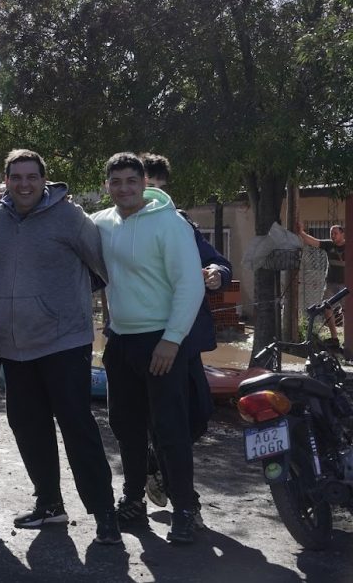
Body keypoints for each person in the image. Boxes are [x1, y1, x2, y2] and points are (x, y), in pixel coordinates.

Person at [0, 149, 120, 544]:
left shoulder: (70, 217)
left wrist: (72, 303)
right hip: (13, 344)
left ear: (45, 180)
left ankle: (104, 514)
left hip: (64, 341)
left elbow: (104, 267)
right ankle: (49, 505)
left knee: (77, 427)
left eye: (32, 176)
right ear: (6, 180)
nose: (24, 184)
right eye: (16, 177)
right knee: (28, 428)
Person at [91, 152, 205, 545]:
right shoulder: (102, 223)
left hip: (161, 341)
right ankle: (134, 498)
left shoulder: (170, 225)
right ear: (107, 186)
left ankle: (185, 509)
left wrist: (172, 340)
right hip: (120, 341)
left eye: (131, 181)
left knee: (170, 428)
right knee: (125, 426)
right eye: (116, 181)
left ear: (143, 184)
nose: (124, 188)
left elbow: (190, 284)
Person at [141, 153, 233, 523]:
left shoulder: (180, 224)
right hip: (146, 340)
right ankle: (184, 501)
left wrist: (216, 273)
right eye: (148, 189)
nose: (155, 198)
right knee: (169, 420)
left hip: (186, 340)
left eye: (161, 190)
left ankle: (155, 462)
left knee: (199, 416)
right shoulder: (116, 227)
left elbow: (219, 263)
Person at [296, 221, 346, 343]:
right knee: (326, 308)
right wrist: (301, 232)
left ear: (342, 234)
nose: (332, 236)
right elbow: (313, 241)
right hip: (331, 284)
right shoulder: (329, 245)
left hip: (346, 286)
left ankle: (348, 339)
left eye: (335, 233)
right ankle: (335, 338)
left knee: (347, 312)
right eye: (331, 234)